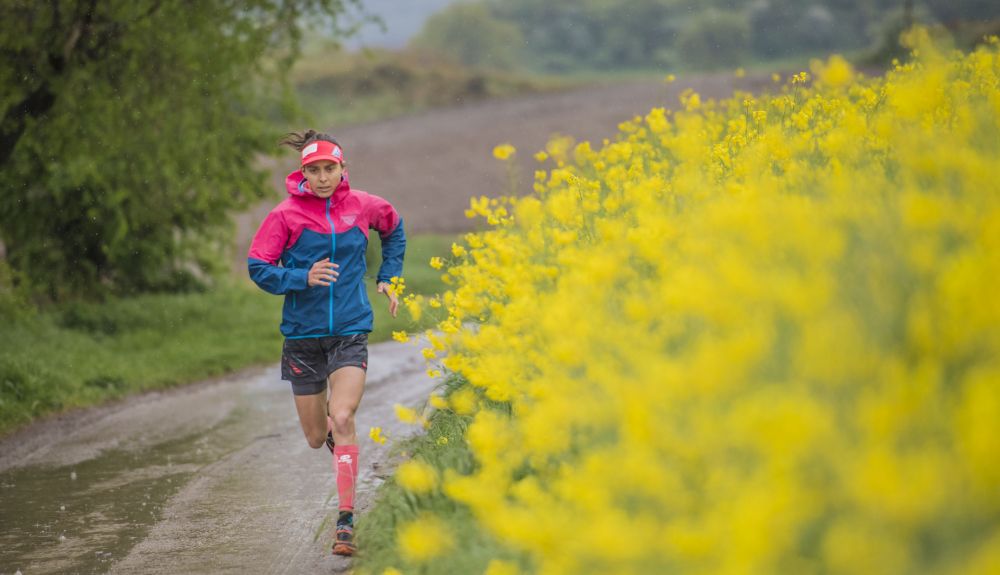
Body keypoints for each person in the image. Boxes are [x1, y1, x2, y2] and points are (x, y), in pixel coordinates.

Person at [247, 130, 405, 556]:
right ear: (302, 173)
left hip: (351, 330)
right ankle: (341, 452)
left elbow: (394, 229)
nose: (321, 178)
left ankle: (346, 522)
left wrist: (389, 278)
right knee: (318, 435)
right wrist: (301, 277)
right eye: (313, 171)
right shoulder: (285, 215)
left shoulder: (364, 206)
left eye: (328, 169)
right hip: (302, 338)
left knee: (343, 414)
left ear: (342, 169)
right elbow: (258, 265)